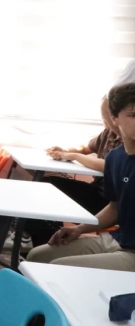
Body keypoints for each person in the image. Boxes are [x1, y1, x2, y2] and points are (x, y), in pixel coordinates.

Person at [26, 83, 135, 272]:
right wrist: (80, 229)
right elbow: (114, 208)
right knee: (36, 257)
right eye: (133, 115)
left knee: (58, 268)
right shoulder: (115, 158)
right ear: (114, 118)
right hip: (117, 239)